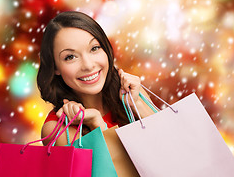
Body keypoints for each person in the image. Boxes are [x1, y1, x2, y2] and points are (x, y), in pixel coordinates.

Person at [37, 11, 155, 146]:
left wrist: (137, 105)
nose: (88, 65)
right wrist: (97, 124)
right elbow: (119, 167)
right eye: (70, 57)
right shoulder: (57, 130)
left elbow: (170, 146)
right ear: (55, 67)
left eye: (94, 48)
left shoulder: (133, 95)